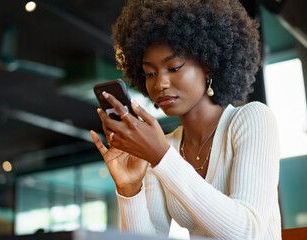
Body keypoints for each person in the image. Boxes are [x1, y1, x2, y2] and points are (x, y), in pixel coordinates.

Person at [90, 0, 281, 239]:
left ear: (208, 66)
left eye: (174, 67)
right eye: (149, 73)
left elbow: (247, 232)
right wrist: (129, 189)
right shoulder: (164, 146)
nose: (159, 84)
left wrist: (161, 156)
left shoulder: (252, 119)